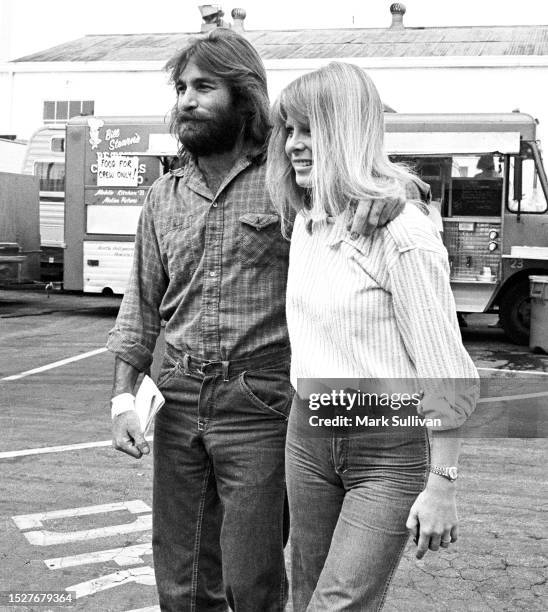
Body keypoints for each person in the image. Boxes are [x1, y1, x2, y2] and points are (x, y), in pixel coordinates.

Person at [106, 30, 411, 612]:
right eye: (180, 89)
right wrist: (122, 399)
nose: (186, 101)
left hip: (263, 401)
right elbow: (140, 306)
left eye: (203, 87)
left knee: (254, 580)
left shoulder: (287, 181)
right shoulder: (163, 197)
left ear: (243, 96)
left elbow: (356, 185)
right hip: (174, 398)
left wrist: (391, 194)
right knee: (181, 576)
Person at [266, 62, 479, 611]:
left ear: (349, 129)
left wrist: (443, 484)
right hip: (308, 434)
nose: (293, 144)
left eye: (309, 128)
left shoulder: (403, 234)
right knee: (307, 595)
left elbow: (446, 374)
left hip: (386, 449)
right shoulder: (309, 224)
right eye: (289, 129)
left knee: (337, 604)